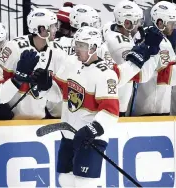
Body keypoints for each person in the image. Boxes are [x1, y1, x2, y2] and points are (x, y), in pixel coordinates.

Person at [36, 26, 119, 187]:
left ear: (93, 48)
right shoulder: (70, 63)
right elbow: (58, 94)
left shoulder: (106, 75)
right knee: (65, 180)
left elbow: (111, 112)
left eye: (82, 45)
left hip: (90, 139)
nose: (77, 49)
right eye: (77, 44)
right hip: (69, 135)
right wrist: (45, 86)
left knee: (83, 184)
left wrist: (90, 131)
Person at [0, 8, 67, 120]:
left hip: (38, 120)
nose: (56, 29)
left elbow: (60, 95)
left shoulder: (59, 53)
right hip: (10, 121)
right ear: (42, 29)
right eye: (53, 26)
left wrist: (47, 87)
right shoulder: (13, 47)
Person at [132, 1, 176, 116]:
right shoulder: (160, 42)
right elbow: (165, 76)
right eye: (171, 23)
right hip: (153, 109)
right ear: (160, 23)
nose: (174, 26)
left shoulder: (149, 35)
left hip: (146, 105)